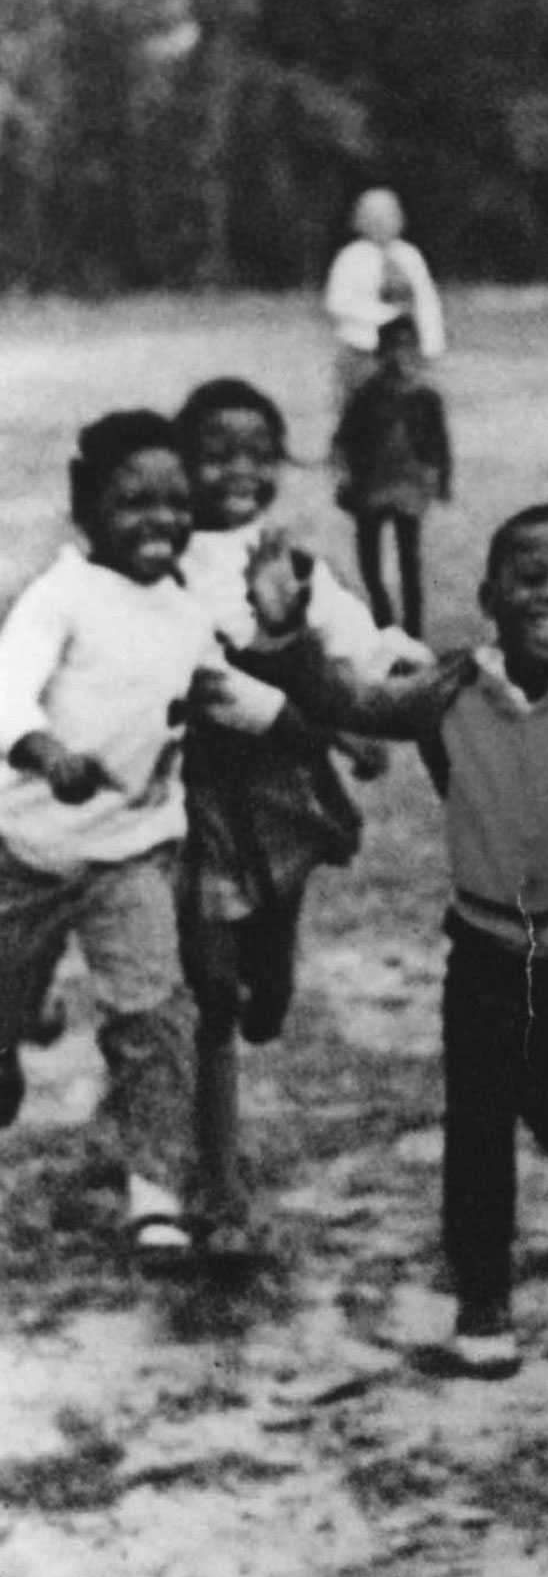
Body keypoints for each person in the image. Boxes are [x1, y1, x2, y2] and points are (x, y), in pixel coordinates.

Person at [252, 504, 548, 1380]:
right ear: (487, 596)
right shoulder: (450, 689)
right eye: (527, 574)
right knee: (478, 1121)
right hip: (482, 951)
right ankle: (483, 1297)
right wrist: (290, 630)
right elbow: (349, 699)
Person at [0, 413, 262, 1266]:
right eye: (133, 502)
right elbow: (8, 687)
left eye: (176, 503)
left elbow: (224, 688)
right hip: (25, 850)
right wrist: (44, 750)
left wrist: (328, 726)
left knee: (154, 1014)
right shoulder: (60, 596)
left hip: (132, 852)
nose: (159, 520)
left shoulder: (182, 611)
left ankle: (155, 1195)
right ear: (86, 506)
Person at [174, 377, 416, 1262]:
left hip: (280, 787)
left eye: (256, 452)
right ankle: (218, 1181)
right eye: (215, 452)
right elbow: (200, 676)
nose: (236, 469)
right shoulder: (158, 555)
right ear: (181, 460)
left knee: (265, 960)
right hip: (196, 790)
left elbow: (353, 634)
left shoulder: (287, 556)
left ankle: (272, 969)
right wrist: (331, 729)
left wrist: (400, 679)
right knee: (212, 990)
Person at [332, 314, 452, 638]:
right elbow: (344, 437)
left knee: (409, 562)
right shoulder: (366, 394)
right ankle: (384, 619)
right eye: (393, 347)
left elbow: (440, 441)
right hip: (370, 485)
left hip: (409, 486)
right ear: (381, 352)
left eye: (408, 347)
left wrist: (443, 480)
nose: (400, 355)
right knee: (369, 562)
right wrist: (344, 475)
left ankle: (414, 631)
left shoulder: (426, 396)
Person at [323, 186, 445, 410]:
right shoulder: (351, 257)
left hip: (406, 353)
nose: (382, 223)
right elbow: (336, 303)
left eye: (389, 216)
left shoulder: (410, 256)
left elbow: (427, 302)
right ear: (360, 221)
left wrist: (432, 344)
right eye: (374, 217)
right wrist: (386, 315)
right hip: (364, 352)